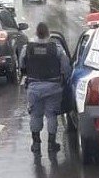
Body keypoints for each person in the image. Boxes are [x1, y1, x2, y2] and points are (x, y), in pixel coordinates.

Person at [19, 22, 71, 155]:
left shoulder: (27, 48)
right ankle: (51, 144)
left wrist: (27, 75)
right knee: (51, 115)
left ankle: (36, 144)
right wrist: (65, 79)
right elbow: (66, 66)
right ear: (48, 34)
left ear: (36, 33)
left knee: (35, 116)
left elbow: (22, 65)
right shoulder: (57, 48)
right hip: (53, 87)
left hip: (34, 87)